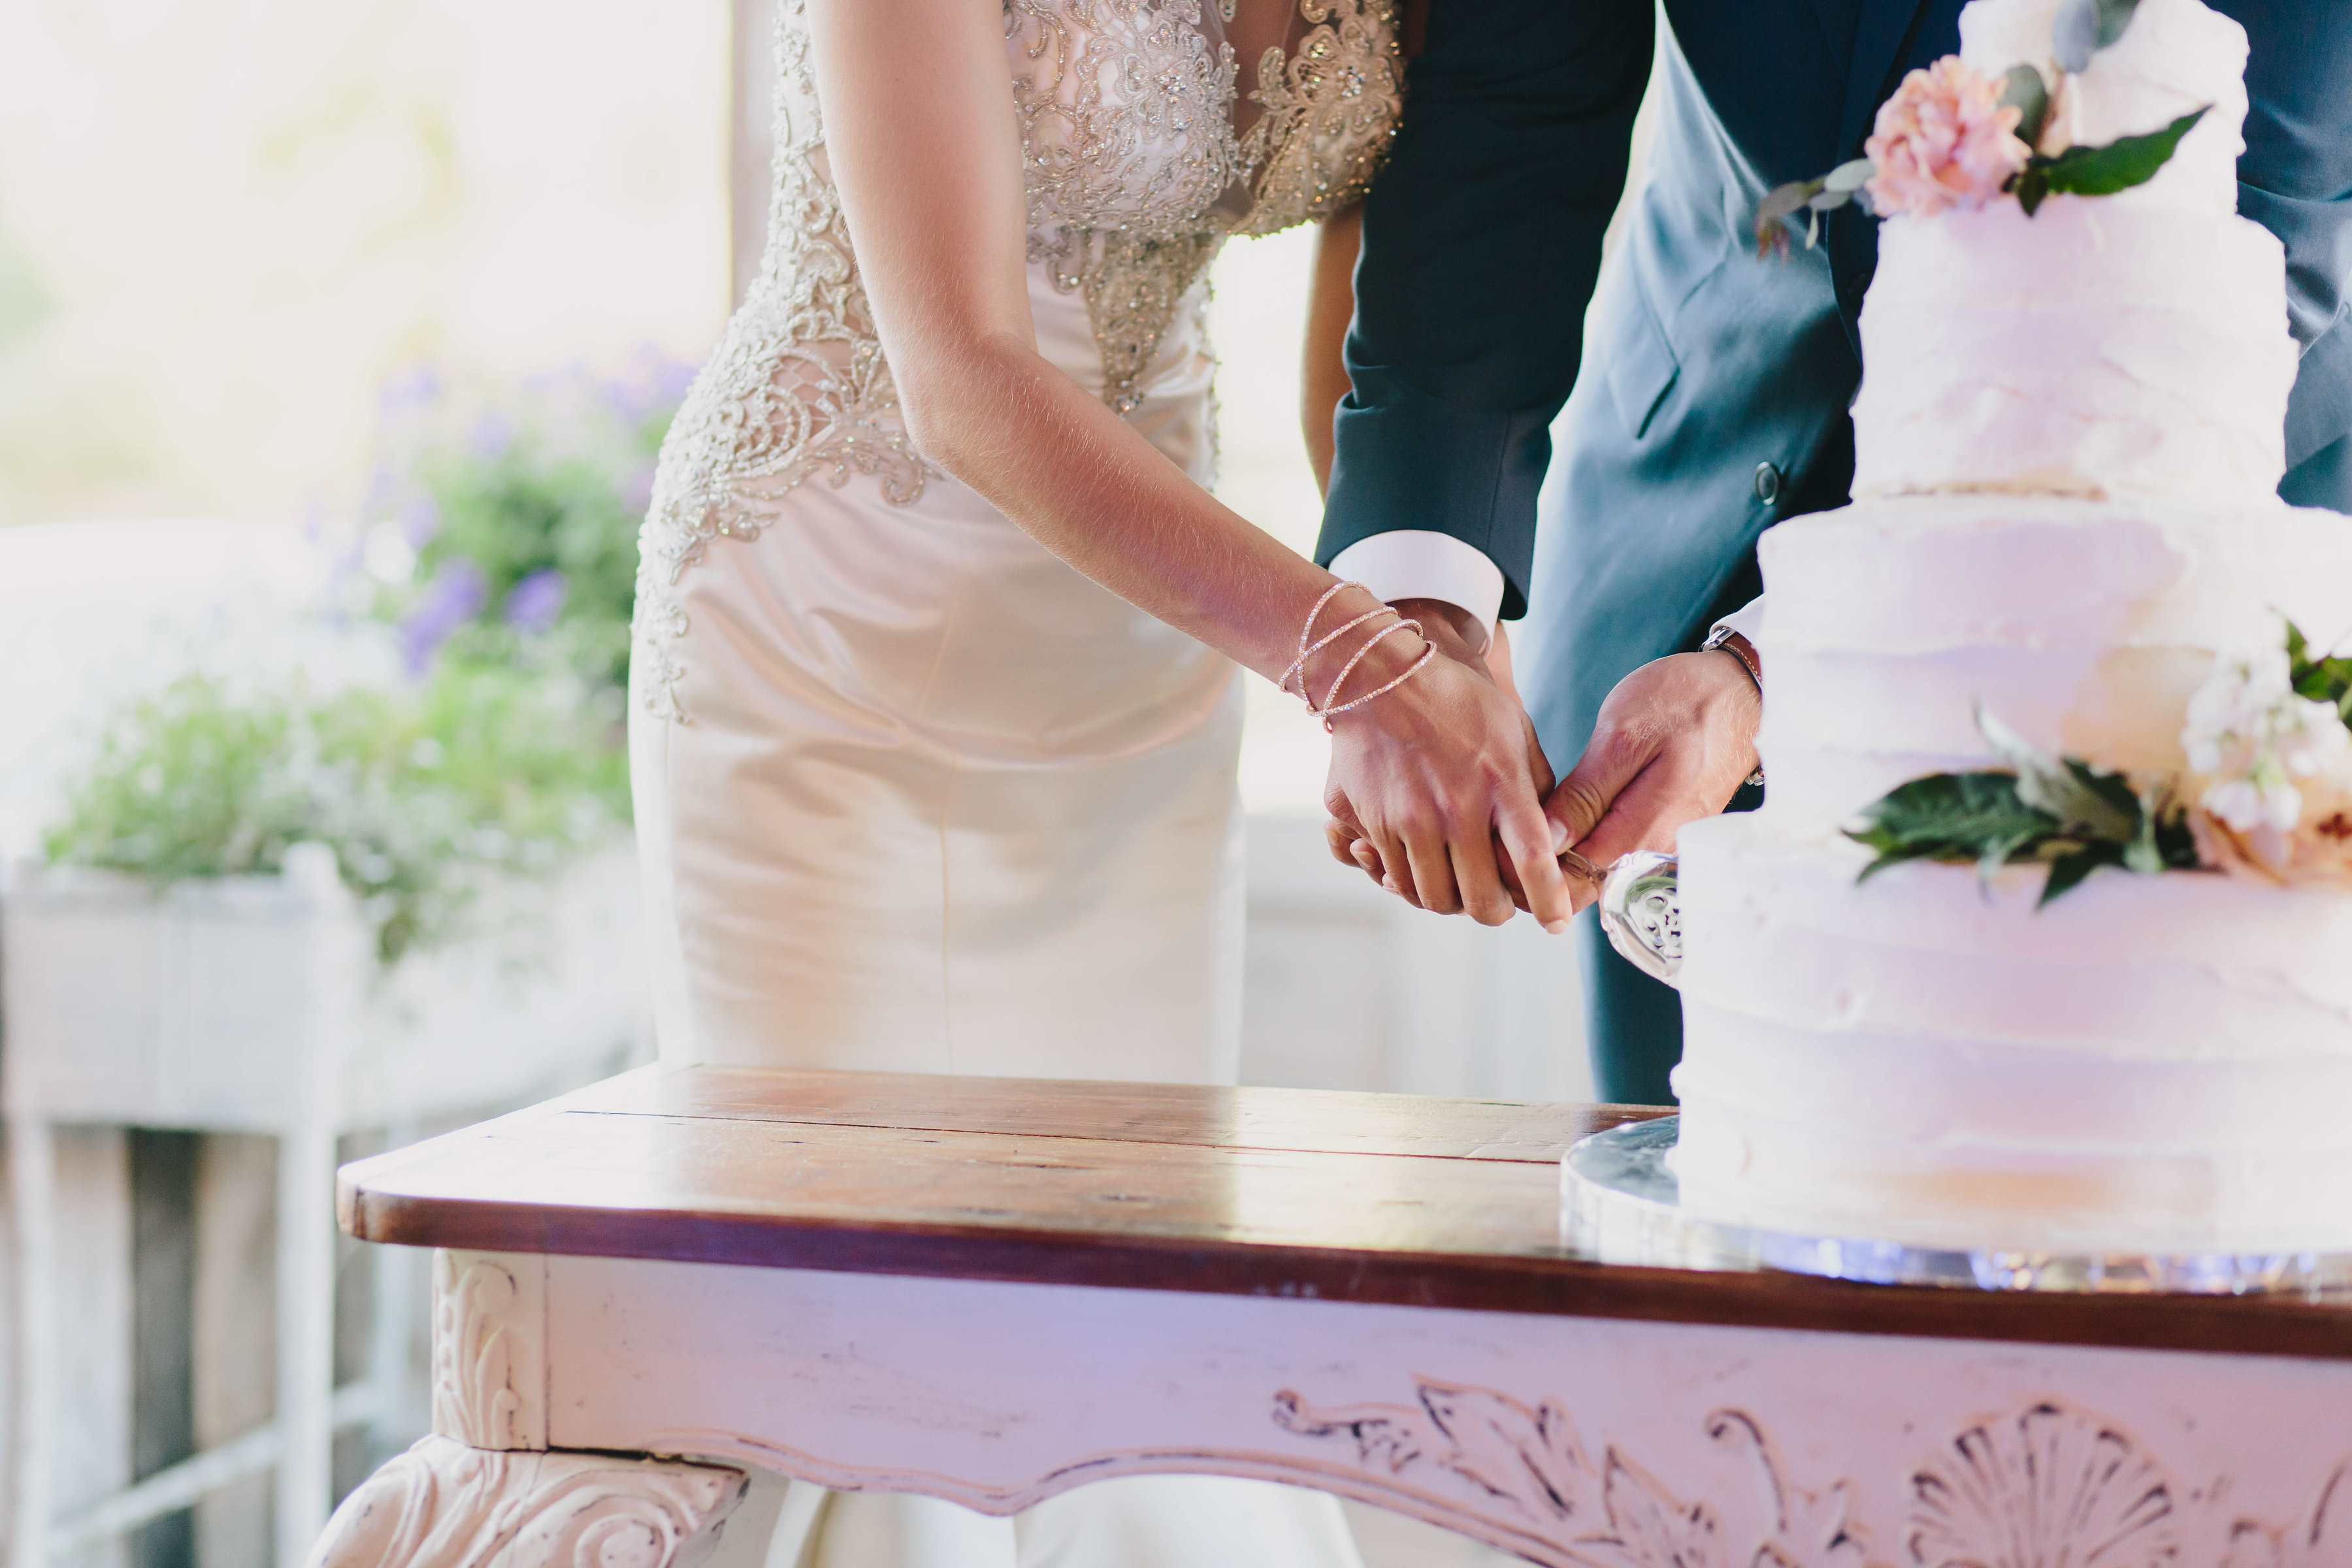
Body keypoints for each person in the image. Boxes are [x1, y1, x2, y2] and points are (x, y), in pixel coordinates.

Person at [626, 0, 1580, 1561]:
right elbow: (965, 377)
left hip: (1143, 653)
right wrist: (1356, 670)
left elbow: (1374, 369)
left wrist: (1446, 666)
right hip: (827, 646)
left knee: (1125, 1298)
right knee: (856, 1310)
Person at [1316, 0, 2352, 1104]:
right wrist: (1419, 610)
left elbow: (2252, 258)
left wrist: (1786, 659)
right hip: (1689, 515)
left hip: (2174, 630)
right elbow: (1512, 126)